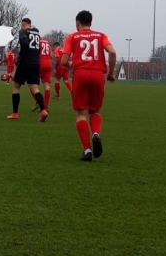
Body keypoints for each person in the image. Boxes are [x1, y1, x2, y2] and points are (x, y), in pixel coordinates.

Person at [59, 10, 117, 162]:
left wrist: (72, 65)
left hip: (80, 75)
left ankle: (87, 150)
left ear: (77, 23)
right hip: (98, 75)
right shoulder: (101, 35)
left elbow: (63, 61)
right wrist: (111, 73)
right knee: (95, 111)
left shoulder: (72, 37)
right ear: (90, 23)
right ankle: (96, 133)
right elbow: (112, 52)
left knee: (81, 114)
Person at [7, 18, 47, 122]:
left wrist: (19, 57)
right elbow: (38, 49)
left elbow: (24, 44)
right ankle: (43, 110)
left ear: (23, 24)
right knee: (35, 89)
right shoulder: (37, 34)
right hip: (35, 63)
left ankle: (15, 113)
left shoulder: (23, 31)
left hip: (25, 62)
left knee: (16, 86)